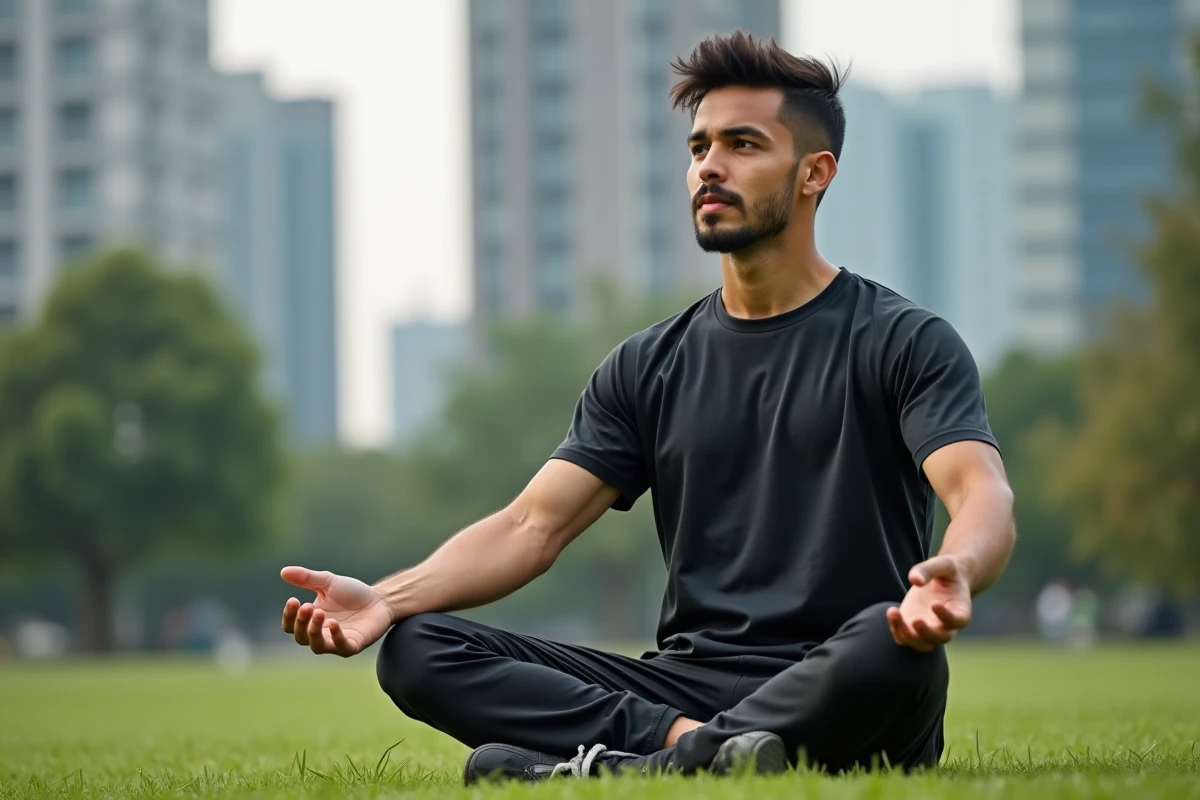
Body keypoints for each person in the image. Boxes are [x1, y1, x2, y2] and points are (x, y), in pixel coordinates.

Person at [279, 31, 1016, 784]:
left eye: (743, 144)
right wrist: (385, 600)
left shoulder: (904, 341)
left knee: (895, 647)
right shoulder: (646, 366)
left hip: (840, 673)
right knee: (418, 648)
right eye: (699, 147)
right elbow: (531, 526)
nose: (710, 167)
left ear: (813, 174)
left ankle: (628, 770)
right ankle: (692, 753)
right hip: (680, 688)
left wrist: (955, 567)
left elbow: (979, 490)